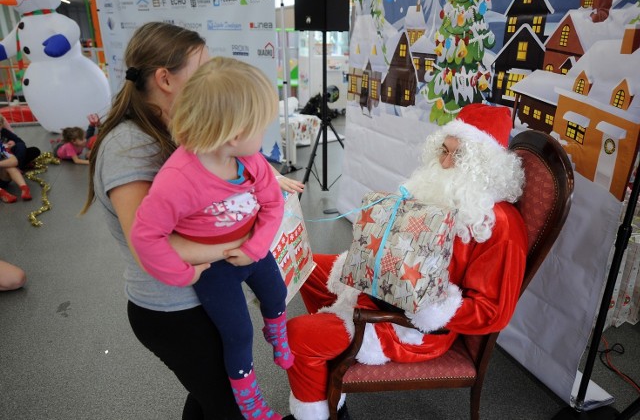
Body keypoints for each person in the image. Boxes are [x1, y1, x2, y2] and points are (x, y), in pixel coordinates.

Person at [81, 22, 301, 420]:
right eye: (202, 69)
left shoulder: (182, 129)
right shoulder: (129, 149)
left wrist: (256, 183)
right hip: (173, 309)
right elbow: (150, 242)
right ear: (165, 79)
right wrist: (246, 241)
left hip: (201, 289)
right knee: (226, 402)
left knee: (209, 398)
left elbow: (218, 179)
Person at [282, 104, 528, 420]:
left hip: (414, 328)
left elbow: (492, 312)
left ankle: (320, 412)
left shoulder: (499, 225)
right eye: (444, 150)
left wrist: (428, 304)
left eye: (459, 156)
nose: (444, 162)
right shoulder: (441, 189)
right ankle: (327, 360)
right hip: (385, 288)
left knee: (297, 336)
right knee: (306, 265)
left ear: (487, 167)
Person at [130, 57, 292, 420]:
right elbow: (145, 236)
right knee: (236, 333)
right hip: (216, 269)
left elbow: (272, 205)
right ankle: (250, 401)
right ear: (234, 134)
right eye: (261, 128)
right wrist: (182, 274)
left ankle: (277, 334)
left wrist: (254, 247)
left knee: (276, 294)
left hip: (251, 249)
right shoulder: (179, 180)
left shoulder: (251, 161)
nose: (264, 136)